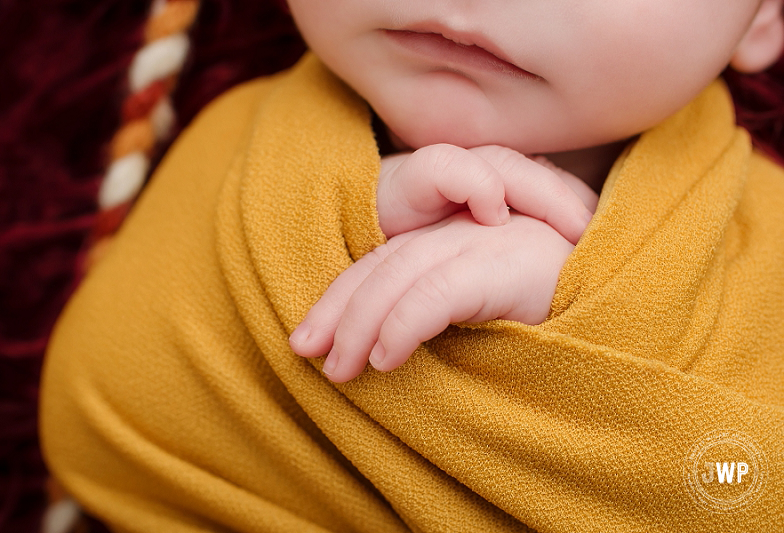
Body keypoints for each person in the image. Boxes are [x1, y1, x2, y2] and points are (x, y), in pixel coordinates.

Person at [40, 1, 784, 531]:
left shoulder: (767, 239)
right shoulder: (243, 146)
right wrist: (337, 220)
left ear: (761, 15)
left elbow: (749, 489)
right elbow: (97, 412)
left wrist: (579, 301)